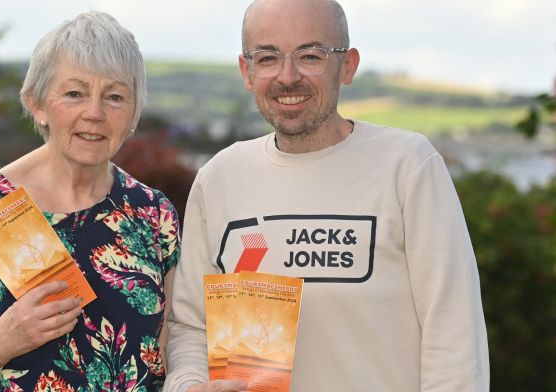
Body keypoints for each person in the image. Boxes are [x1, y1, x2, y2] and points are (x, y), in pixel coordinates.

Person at [164, 0, 489, 391]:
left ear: (347, 65)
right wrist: (189, 384)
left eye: (310, 55)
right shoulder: (220, 177)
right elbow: (191, 326)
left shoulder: (407, 166)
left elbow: (454, 335)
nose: (288, 77)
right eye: (267, 57)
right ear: (246, 71)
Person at [0, 11, 180, 391]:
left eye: (115, 96)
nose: (95, 113)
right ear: (36, 103)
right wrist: (3, 341)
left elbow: (173, 352)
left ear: (134, 112)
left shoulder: (154, 214)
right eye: (74, 93)